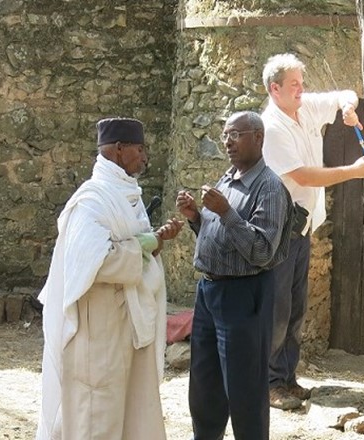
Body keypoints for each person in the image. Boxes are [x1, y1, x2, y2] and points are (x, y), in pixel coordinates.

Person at [36, 117, 184, 440]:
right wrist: (145, 246)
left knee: (132, 417)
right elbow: (96, 261)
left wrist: (155, 241)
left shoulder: (127, 194)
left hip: (129, 331)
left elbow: (136, 248)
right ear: (119, 150)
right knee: (95, 421)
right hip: (97, 336)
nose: (145, 157)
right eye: (140, 149)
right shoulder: (91, 201)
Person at [260, 53, 364, 410]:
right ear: (274, 88)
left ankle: (287, 378)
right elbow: (303, 175)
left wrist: (347, 107)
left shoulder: (304, 107)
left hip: (303, 227)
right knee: (277, 311)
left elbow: (345, 92)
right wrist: (354, 171)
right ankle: (268, 384)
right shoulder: (271, 127)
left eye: (302, 82)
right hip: (279, 231)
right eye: (294, 84)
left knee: (295, 309)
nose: (301, 89)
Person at [176, 111, 292, 440]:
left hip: (244, 295)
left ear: (258, 138)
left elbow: (260, 252)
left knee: (244, 390)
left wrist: (226, 211)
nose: (228, 141)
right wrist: (196, 218)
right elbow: (220, 240)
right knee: (204, 384)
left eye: (236, 134)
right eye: (225, 134)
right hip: (210, 292)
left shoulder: (268, 188)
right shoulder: (227, 179)